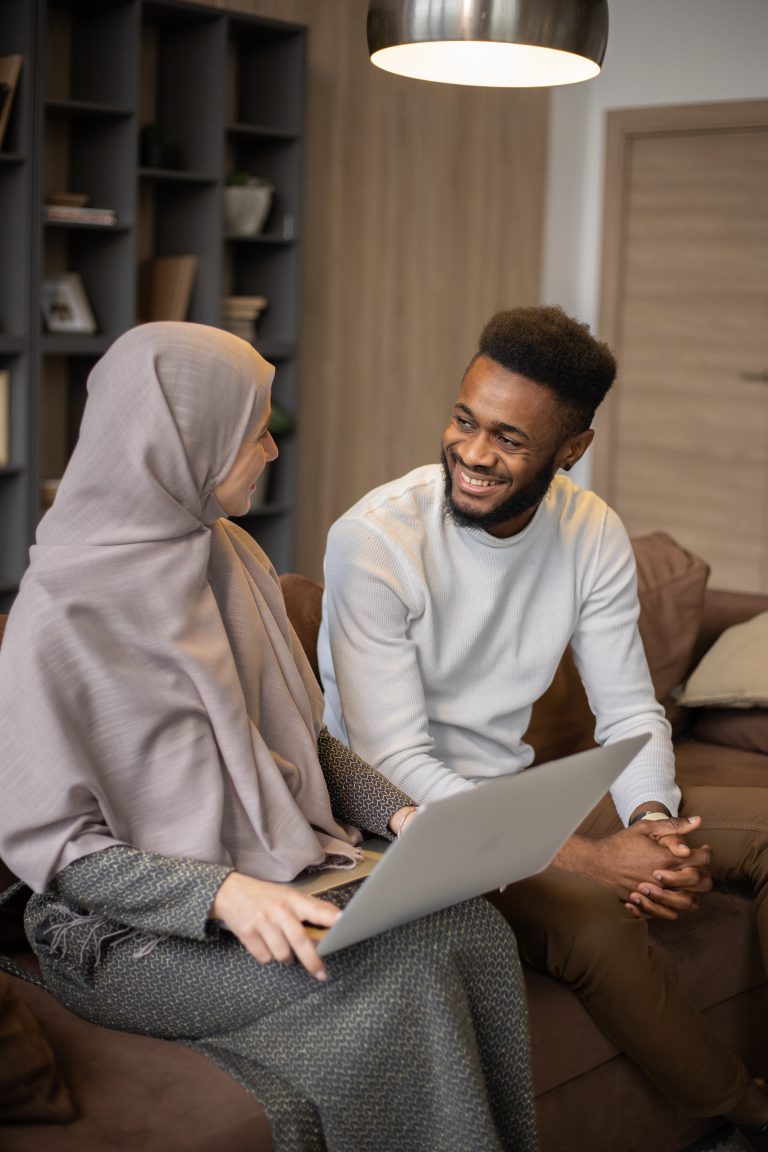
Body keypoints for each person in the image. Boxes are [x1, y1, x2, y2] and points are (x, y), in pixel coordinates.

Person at [0, 322, 539, 1152]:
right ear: (186, 443)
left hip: (278, 869)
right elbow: (60, 850)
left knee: (472, 926)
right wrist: (220, 893)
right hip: (128, 933)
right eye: (256, 434)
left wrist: (402, 819)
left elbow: (297, 741)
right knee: (402, 977)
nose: (272, 452)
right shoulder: (58, 615)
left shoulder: (234, 555)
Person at [319, 305, 768, 1132]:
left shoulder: (590, 529)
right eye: (465, 420)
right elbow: (390, 761)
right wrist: (589, 861)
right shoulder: (374, 542)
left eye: (510, 440)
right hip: (403, 823)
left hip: (521, 791)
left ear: (571, 451)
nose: (474, 454)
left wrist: (653, 825)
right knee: (594, 919)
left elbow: (630, 708)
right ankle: (741, 1108)